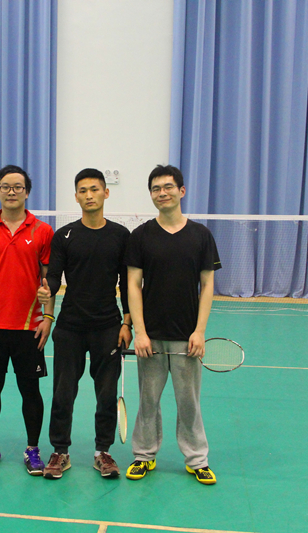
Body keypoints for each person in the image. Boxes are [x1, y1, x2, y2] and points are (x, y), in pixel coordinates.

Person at [124, 164, 221, 485]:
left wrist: (200, 331)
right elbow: (132, 285)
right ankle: (144, 455)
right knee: (148, 401)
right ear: (151, 194)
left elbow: (207, 285)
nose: (162, 193)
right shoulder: (140, 236)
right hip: (150, 337)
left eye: (167, 187)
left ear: (181, 191)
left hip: (186, 336)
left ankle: (197, 459)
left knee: (189, 402)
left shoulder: (201, 235)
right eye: (156, 188)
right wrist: (139, 331)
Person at [37, 168, 132, 479]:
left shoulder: (120, 236)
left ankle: (102, 452)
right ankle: (60, 451)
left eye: (94, 189)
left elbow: (127, 283)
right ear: (76, 196)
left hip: (108, 326)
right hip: (70, 327)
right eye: (82, 190)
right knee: (63, 393)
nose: (89, 195)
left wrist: (127, 322)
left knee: (106, 394)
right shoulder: (64, 235)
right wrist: (48, 289)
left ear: (106, 192)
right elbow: (54, 276)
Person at [0, 165, 54, 476]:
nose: (12, 191)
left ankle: (33, 449)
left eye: (18, 186)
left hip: (29, 327)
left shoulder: (43, 231)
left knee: (30, 391)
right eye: (6, 186)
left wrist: (48, 317)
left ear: (27, 192)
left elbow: (49, 280)